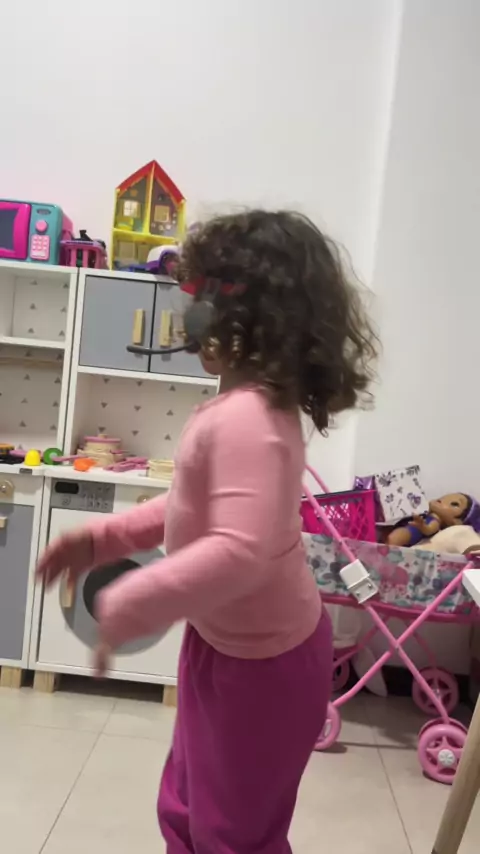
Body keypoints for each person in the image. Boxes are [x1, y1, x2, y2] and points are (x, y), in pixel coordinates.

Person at [36, 210, 378, 853]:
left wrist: (134, 600)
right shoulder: (239, 409)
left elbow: (239, 551)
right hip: (222, 645)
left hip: (267, 667)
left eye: (199, 299)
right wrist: (103, 540)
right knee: (186, 805)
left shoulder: (251, 418)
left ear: (251, 319)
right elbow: (190, 504)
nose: (188, 316)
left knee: (233, 833)